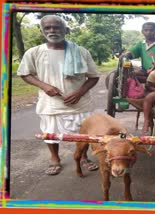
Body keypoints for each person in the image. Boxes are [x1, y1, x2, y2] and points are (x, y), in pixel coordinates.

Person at [17, 15, 100, 175]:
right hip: (50, 104)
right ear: (41, 31)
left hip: (80, 104)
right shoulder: (34, 52)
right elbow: (25, 73)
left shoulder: (81, 51)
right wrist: (44, 85)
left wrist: (79, 92)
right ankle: (55, 159)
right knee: (50, 134)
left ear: (66, 30)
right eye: (47, 28)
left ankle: (83, 157)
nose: (52, 30)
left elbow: (94, 76)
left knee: (83, 134)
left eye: (56, 27)